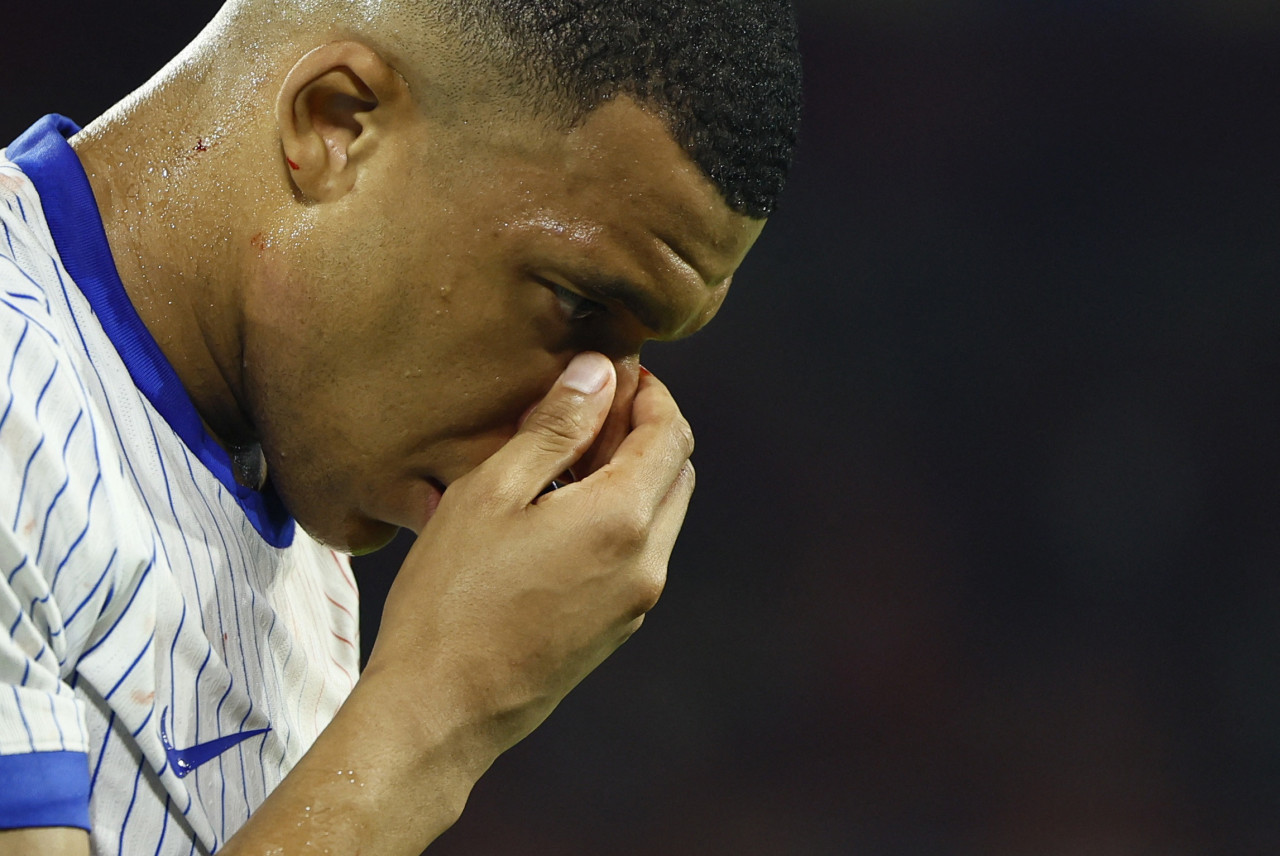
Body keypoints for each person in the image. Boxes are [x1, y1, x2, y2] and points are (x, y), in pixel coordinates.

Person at [0, 0, 801, 852]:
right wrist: (434, 712)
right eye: (577, 304)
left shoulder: (303, 523)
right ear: (336, 123)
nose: (590, 415)